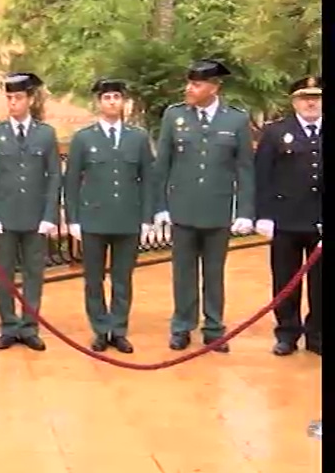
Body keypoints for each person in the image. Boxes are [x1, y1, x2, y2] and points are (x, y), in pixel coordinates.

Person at [153, 59, 255, 353]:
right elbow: (163, 165)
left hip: (218, 210)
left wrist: (245, 211)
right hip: (183, 210)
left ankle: (214, 329)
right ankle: (182, 326)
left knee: (214, 273)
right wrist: (160, 206)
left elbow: (245, 169)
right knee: (183, 273)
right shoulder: (175, 116)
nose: (189, 89)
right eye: (189, 83)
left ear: (214, 87)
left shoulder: (235, 119)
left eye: (196, 84)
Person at [63, 79, 154, 354]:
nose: (112, 101)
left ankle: (119, 329)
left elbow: (148, 179)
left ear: (123, 102)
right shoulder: (83, 138)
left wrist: (147, 217)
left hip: (127, 218)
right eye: (107, 97)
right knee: (93, 279)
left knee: (122, 278)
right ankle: (100, 329)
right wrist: (74, 219)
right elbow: (71, 181)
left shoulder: (137, 138)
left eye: (117, 97)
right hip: (94, 219)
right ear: (99, 103)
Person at [0, 73, 61, 352]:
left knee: (33, 274)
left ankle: (30, 326)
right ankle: (9, 326)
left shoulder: (45, 134)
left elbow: (53, 178)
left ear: (30, 99)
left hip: (35, 218)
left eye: (18, 98)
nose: (13, 103)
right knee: (4, 274)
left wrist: (50, 215)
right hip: (4, 218)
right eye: (9, 98)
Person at [254, 76, 323, 357]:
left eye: (316, 97)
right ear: (294, 100)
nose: (311, 102)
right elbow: (263, 176)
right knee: (285, 280)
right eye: (305, 97)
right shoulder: (275, 132)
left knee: (320, 283)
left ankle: (317, 335)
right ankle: (287, 333)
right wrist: (264, 215)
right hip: (285, 219)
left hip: (320, 220)